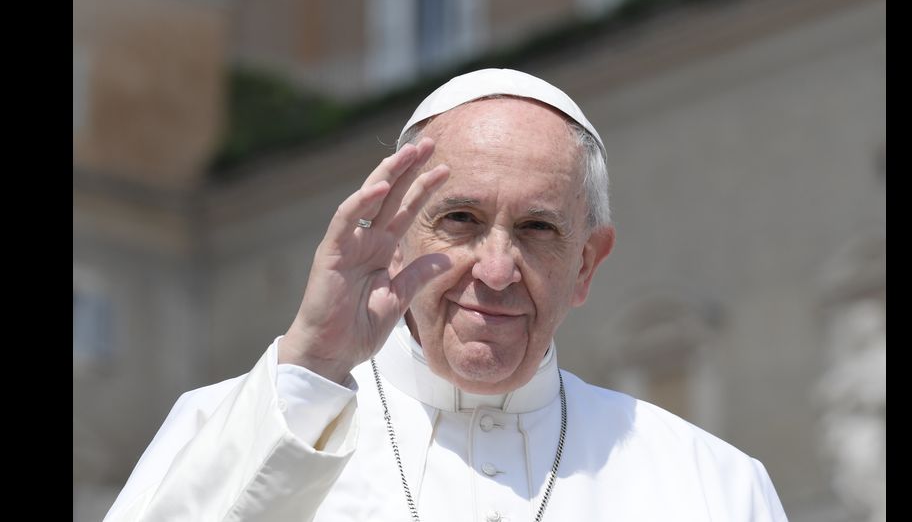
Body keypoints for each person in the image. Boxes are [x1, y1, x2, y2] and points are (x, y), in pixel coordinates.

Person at [104, 68, 788, 521]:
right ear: (395, 233)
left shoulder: (710, 485)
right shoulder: (229, 425)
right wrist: (311, 368)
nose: (495, 270)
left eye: (536, 228)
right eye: (459, 220)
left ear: (586, 264)